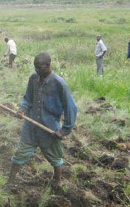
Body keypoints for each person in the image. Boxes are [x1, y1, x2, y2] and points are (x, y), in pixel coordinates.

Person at [6, 52, 77, 188]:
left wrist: (64, 130)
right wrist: (23, 109)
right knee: (20, 154)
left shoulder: (59, 84)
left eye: (40, 68)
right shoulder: (33, 78)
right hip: (31, 126)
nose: (37, 71)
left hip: (49, 128)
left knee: (55, 158)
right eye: (35, 68)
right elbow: (28, 98)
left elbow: (71, 107)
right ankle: (10, 182)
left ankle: (57, 181)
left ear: (48, 65)